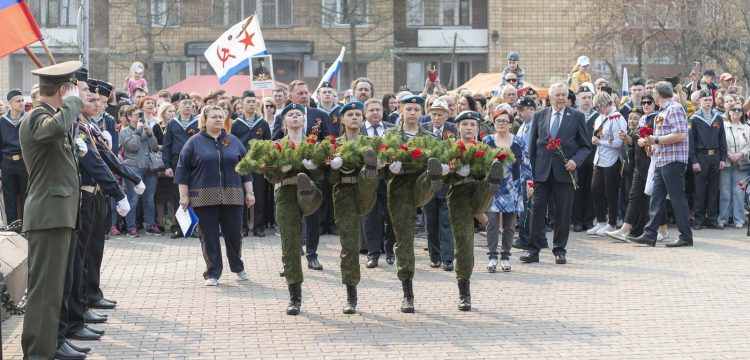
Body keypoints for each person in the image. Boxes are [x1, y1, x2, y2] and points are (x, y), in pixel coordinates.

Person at [18, 60, 84, 360]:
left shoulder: (48, 116)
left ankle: (47, 347)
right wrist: (72, 103)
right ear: (61, 90)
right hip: (48, 214)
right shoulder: (36, 117)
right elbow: (53, 129)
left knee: (52, 289)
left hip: (56, 214)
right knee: (44, 290)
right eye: (69, 90)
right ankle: (37, 353)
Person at [175, 105, 254, 286]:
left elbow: (246, 169)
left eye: (220, 116)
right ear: (205, 120)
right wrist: (184, 196)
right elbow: (182, 170)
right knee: (209, 236)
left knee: (234, 234)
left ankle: (238, 267)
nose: (218, 119)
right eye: (213, 117)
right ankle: (212, 272)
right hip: (203, 197)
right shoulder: (194, 142)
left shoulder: (233, 141)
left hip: (233, 196)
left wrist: (249, 192)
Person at [520, 83, 591, 265]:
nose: (560, 98)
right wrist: (531, 174)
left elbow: (585, 146)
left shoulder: (576, 117)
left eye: (563, 95)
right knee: (537, 210)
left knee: (563, 212)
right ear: (550, 97)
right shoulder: (539, 115)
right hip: (541, 172)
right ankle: (533, 250)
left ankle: (559, 249)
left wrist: (575, 161)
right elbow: (532, 147)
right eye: (557, 95)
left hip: (565, 172)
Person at [385, 95, 443, 313]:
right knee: (405, 239)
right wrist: (388, 166)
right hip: (399, 188)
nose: (412, 113)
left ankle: (432, 177)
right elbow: (382, 162)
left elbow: (441, 156)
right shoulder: (391, 135)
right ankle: (407, 293)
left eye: (416, 110)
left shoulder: (428, 137)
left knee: (430, 173)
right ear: (401, 111)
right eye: (408, 109)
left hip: (421, 184)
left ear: (421, 113)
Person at [323, 101, 379, 313]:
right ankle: (351, 294)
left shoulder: (371, 143)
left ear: (363, 119)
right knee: (349, 245)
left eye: (358, 114)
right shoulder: (334, 145)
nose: (355, 117)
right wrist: (334, 167)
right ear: (342, 120)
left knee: (369, 232)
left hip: (366, 190)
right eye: (350, 114)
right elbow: (328, 178)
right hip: (344, 192)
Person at [270, 103, 324, 315]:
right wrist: (279, 170)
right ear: (284, 122)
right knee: (290, 242)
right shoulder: (276, 145)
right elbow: (269, 176)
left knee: (310, 221)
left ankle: (313, 254)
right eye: (290, 115)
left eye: (298, 115)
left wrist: (314, 166)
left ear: (304, 120)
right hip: (285, 191)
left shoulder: (313, 145)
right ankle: (295, 297)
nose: (294, 117)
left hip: (310, 190)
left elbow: (322, 174)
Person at [271, 80, 329, 271]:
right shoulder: (282, 115)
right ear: (291, 96)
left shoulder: (318, 115)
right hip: (287, 181)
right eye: (300, 93)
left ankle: (312, 254)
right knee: (289, 221)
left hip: (311, 177)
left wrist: (318, 160)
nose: (305, 96)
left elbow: (327, 141)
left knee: (312, 216)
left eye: (306, 93)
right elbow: (273, 144)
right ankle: (291, 258)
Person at [629, 82, 693, 247]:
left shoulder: (675, 109)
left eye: (654, 92)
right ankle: (650, 234)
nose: (652, 95)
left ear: (660, 94)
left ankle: (686, 236)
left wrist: (655, 140)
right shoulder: (662, 112)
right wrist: (652, 146)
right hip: (661, 160)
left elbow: (680, 134)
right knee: (656, 198)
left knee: (677, 199)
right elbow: (663, 136)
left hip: (673, 161)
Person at [483, 108, 531, 274]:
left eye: (504, 121)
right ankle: (492, 257)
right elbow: (480, 165)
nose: (501, 124)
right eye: (498, 121)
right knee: (492, 224)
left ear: (511, 124)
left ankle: (505, 258)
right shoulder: (487, 141)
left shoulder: (518, 141)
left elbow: (526, 164)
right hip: (493, 188)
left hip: (513, 187)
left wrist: (529, 184)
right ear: (494, 123)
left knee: (510, 226)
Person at [421, 98, 457, 270]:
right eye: (434, 114)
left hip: (446, 183)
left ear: (447, 115)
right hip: (428, 185)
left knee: (446, 221)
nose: (436, 118)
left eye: (440, 114)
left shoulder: (453, 130)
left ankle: (448, 258)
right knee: (430, 222)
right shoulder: (423, 130)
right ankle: (434, 256)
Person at [360, 99, 396, 268]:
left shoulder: (392, 129)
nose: (375, 113)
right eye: (371, 110)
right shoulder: (358, 130)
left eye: (378, 110)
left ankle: (389, 250)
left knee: (392, 216)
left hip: (388, 178)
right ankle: (373, 254)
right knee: (370, 218)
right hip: (368, 181)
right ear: (365, 113)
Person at [586, 92, 627, 236]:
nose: (597, 110)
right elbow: (598, 135)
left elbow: (618, 142)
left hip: (612, 160)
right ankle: (601, 221)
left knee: (611, 192)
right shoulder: (600, 118)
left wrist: (600, 142)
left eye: (599, 106)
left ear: (607, 104)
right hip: (600, 159)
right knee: (595, 189)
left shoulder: (617, 119)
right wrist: (597, 140)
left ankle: (612, 223)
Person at [231, 90, 271, 237]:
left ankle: (259, 227)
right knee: (241, 195)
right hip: (242, 164)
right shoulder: (236, 124)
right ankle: (242, 226)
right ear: (242, 103)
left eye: (253, 101)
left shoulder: (263, 123)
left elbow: (268, 144)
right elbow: (232, 144)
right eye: (248, 101)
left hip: (258, 164)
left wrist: (265, 161)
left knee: (260, 195)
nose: (251, 104)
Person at [689, 89, 727, 230]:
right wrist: (694, 161)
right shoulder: (694, 119)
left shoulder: (717, 117)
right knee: (699, 190)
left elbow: (722, 139)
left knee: (713, 189)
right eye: (705, 100)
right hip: (701, 156)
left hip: (715, 156)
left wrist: (723, 158)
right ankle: (698, 220)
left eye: (710, 100)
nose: (708, 102)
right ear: (699, 101)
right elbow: (691, 142)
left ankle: (712, 219)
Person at [120, 104, 160, 237]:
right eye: (137, 115)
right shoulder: (124, 131)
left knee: (149, 199)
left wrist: (149, 134)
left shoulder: (147, 128)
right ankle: (131, 227)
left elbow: (154, 147)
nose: (140, 118)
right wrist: (137, 131)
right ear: (130, 117)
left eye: (140, 115)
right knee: (133, 198)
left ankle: (151, 225)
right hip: (133, 168)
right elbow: (133, 147)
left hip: (149, 167)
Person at [163, 93, 199, 237]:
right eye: (185, 103)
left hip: (195, 162)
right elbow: (166, 146)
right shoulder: (172, 123)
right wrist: (166, 166)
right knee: (176, 195)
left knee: (195, 194)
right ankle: (178, 227)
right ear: (178, 105)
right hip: (176, 162)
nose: (188, 106)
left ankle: (195, 226)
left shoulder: (198, 122)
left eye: (190, 103)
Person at [315, 81, 341, 236]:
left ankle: (332, 223)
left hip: (337, 157)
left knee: (333, 189)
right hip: (320, 156)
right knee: (321, 188)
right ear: (318, 95)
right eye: (323, 92)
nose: (326, 94)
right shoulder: (315, 112)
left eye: (329, 92)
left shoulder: (340, 112)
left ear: (334, 95)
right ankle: (320, 223)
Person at [719, 103, 750, 228]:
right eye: (733, 110)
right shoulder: (723, 126)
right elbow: (720, 142)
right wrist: (729, 154)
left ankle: (739, 220)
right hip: (726, 162)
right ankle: (723, 219)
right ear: (728, 111)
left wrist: (740, 154)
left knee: (739, 192)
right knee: (725, 192)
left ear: (742, 113)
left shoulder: (747, 128)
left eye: (739, 110)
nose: (736, 112)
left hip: (741, 163)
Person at [571, 84, 597, 232]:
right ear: (578, 100)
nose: (587, 100)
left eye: (589, 97)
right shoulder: (573, 116)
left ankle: (588, 220)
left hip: (593, 158)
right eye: (583, 98)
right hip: (577, 159)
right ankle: (577, 221)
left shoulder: (598, 117)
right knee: (577, 190)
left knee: (591, 190)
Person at [1, 89, 28, 224]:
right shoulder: (2, 122)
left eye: (22, 100)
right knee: (9, 198)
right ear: (10, 103)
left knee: (27, 196)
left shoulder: (28, 119)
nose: (21, 103)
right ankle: (12, 226)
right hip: (7, 163)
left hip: (25, 163)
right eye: (18, 101)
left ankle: (26, 227)